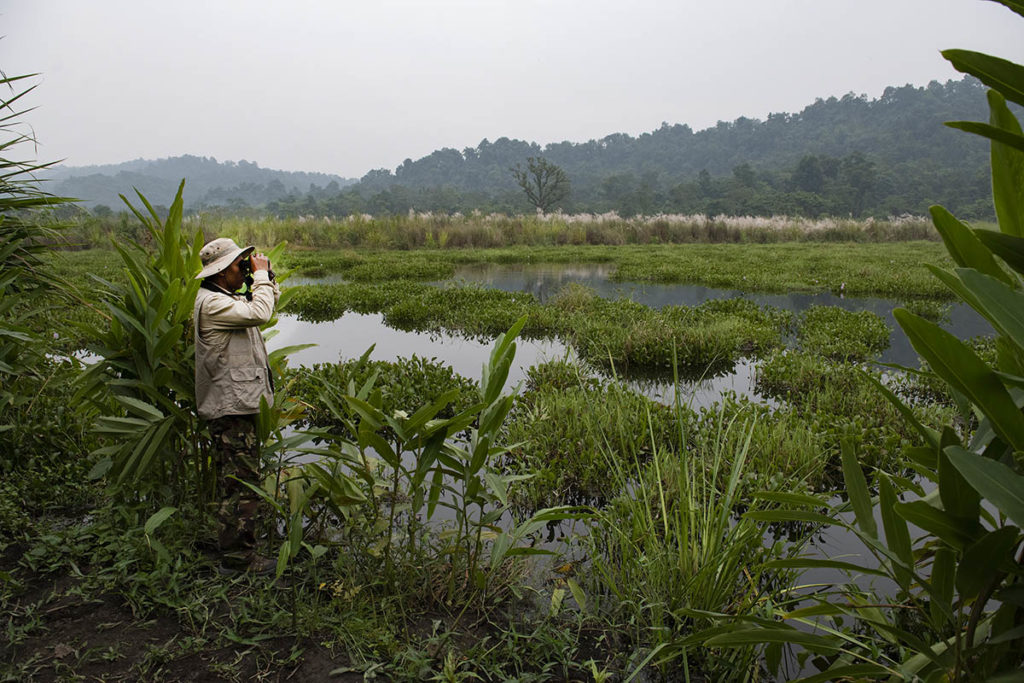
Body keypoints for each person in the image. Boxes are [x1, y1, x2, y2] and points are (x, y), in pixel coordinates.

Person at [193, 237, 280, 574]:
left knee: (235, 479)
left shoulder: (225, 298)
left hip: (235, 403)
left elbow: (265, 305)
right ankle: (240, 560)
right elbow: (260, 312)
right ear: (220, 272)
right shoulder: (213, 304)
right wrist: (259, 277)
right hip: (230, 407)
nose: (243, 270)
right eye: (238, 266)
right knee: (241, 483)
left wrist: (266, 277)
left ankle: (232, 547)